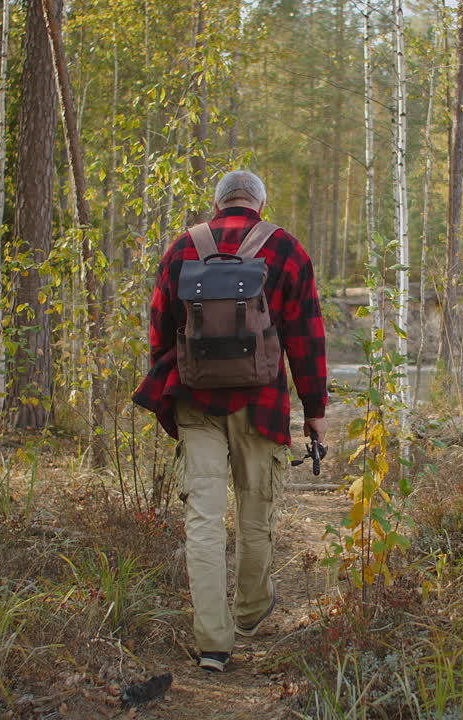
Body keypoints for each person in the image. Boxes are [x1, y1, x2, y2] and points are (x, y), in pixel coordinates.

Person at [132, 170, 328, 672]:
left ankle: (213, 644)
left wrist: (172, 392)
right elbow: (306, 338)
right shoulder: (286, 250)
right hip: (260, 403)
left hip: (195, 399)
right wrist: (316, 413)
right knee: (255, 512)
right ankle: (249, 612)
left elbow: (160, 332)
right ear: (260, 202)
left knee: (202, 519)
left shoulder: (182, 248)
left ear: (217, 203)